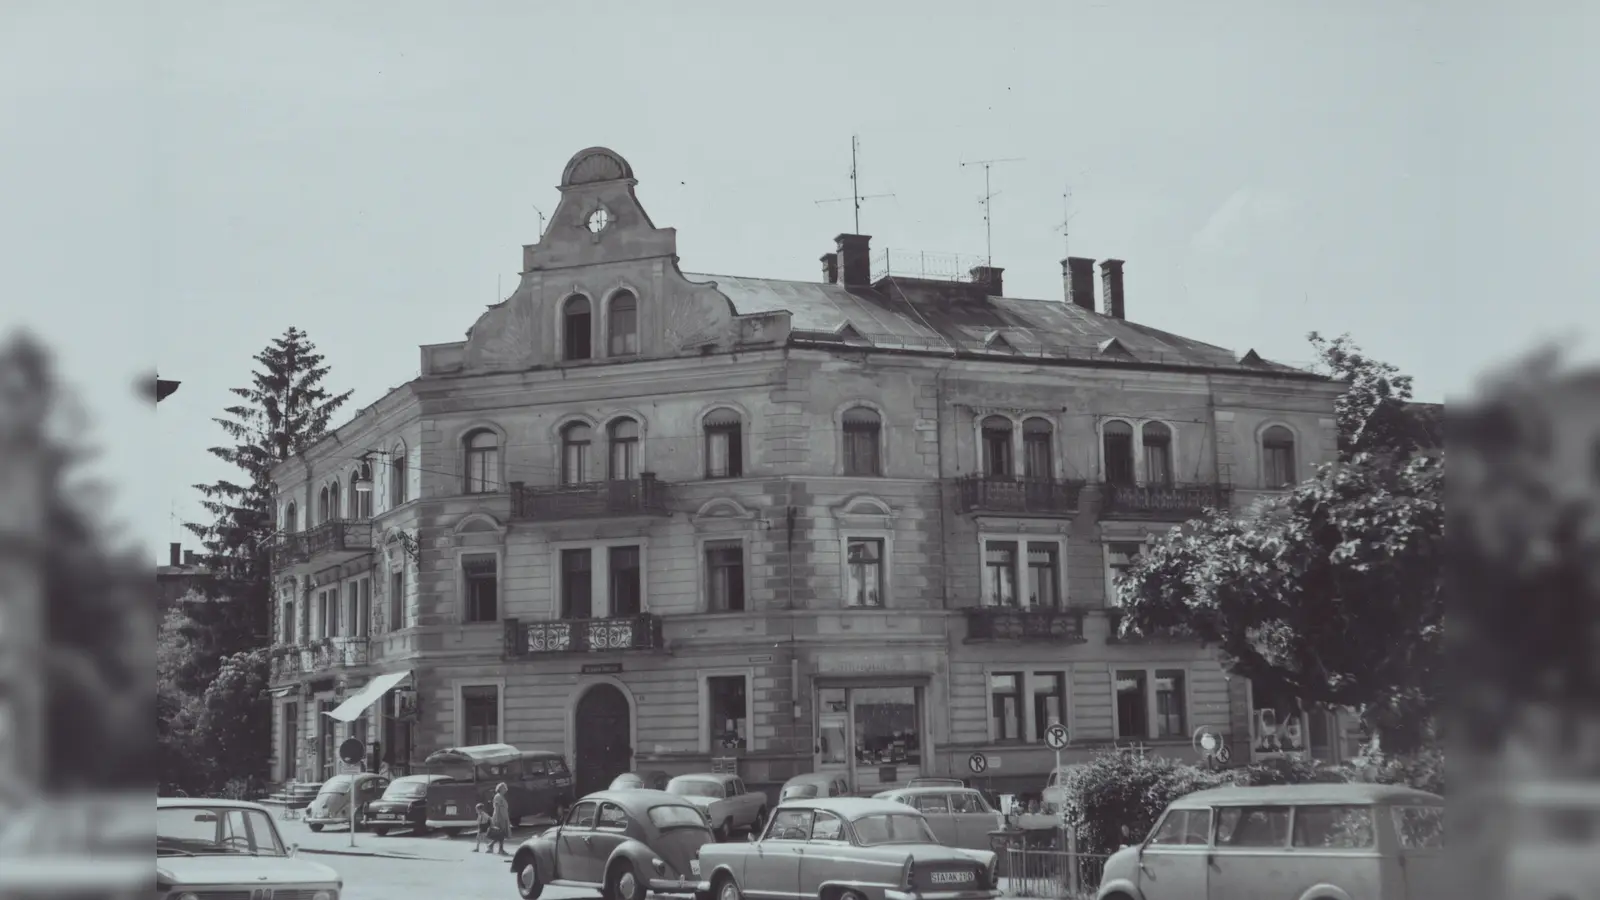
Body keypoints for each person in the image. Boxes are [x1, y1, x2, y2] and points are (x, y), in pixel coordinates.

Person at [488, 782, 512, 856]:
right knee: (500, 833)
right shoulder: (498, 797)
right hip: (499, 817)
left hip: (503, 817)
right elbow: (497, 808)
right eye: (504, 788)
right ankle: (497, 848)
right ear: (500, 789)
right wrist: (497, 818)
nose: (505, 789)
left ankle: (494, 846)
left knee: (502, 833)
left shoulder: (501, 796)